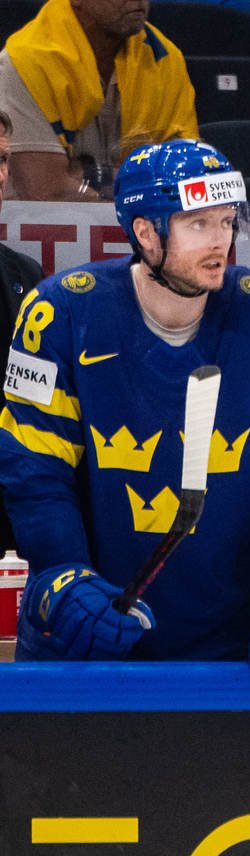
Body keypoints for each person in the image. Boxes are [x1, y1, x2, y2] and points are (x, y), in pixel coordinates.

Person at [0, 139, 250, 721]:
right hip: (85, 650)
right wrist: (64, 575)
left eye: (227, 221)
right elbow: (35, 479)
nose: (220, 241)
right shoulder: (58, 313)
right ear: (146, 233)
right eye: (198, 223)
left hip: (232, 656)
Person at [0, 0, 197, 202]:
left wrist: (90, 176)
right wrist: (140, 186)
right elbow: (47, 191)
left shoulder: (165, 59)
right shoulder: (27, 62)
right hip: (33, 222)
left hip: (141, 217)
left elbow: (187, 176)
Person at [0, 108, 45, 555]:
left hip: (11, 512)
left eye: (2, 160)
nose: (0, 175)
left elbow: (39, 398)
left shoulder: (25, 275)